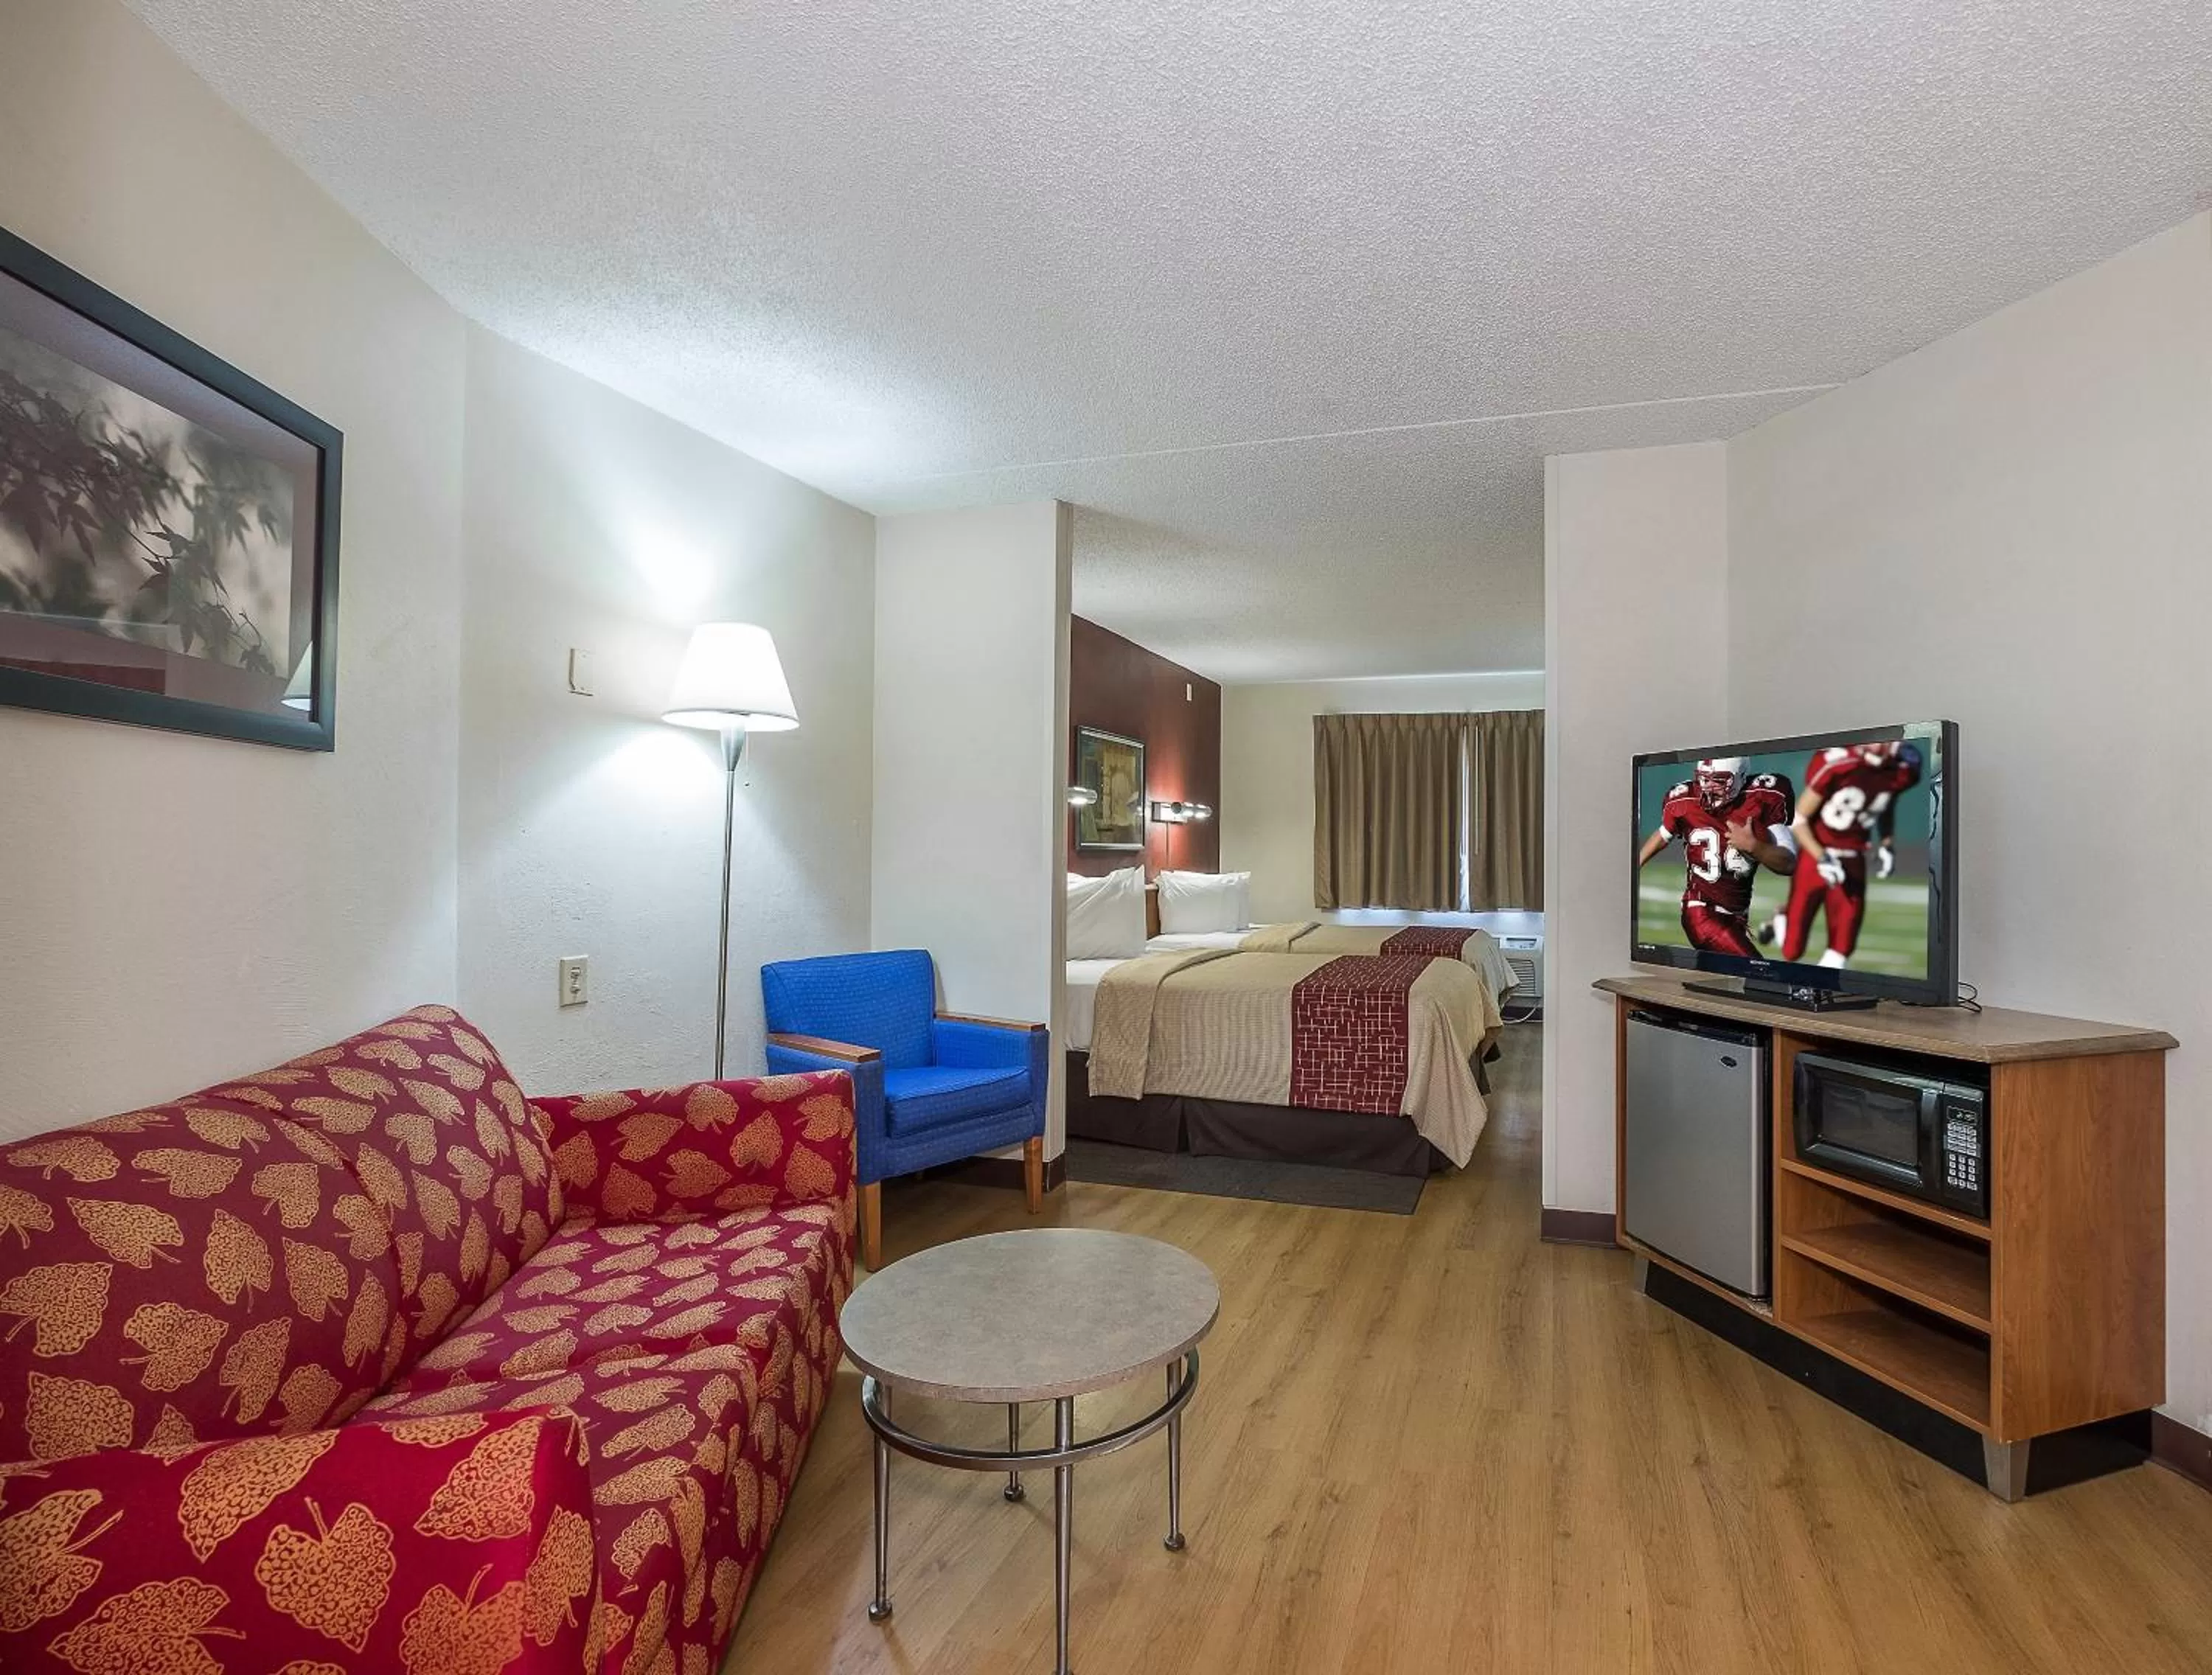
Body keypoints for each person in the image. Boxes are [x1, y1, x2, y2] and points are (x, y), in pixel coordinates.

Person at [1768, 740, 1924, 967]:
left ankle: (1820, 991)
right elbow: (1799, 820)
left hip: (1853, 859)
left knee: (1842, 948)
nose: (1896, 745)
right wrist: (1822, 857)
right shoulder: (1838, 764)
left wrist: (1886, 844)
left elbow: (1885, 804)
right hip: (1816, 857)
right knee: (1792, 952)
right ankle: (1783, 916)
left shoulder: (1897, 771)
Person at [1637, 758, 1798, 957]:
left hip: (1736, 917)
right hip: (1701, 913)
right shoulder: (1684, 800)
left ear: (1740, 778)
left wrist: (1754, 847)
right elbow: (1664, 834)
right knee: (1761, 972)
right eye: (1704, 780)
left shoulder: (1763, 797)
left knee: (1730, 982)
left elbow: (1789, 863)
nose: (1709, 788)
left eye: (1719, 781)